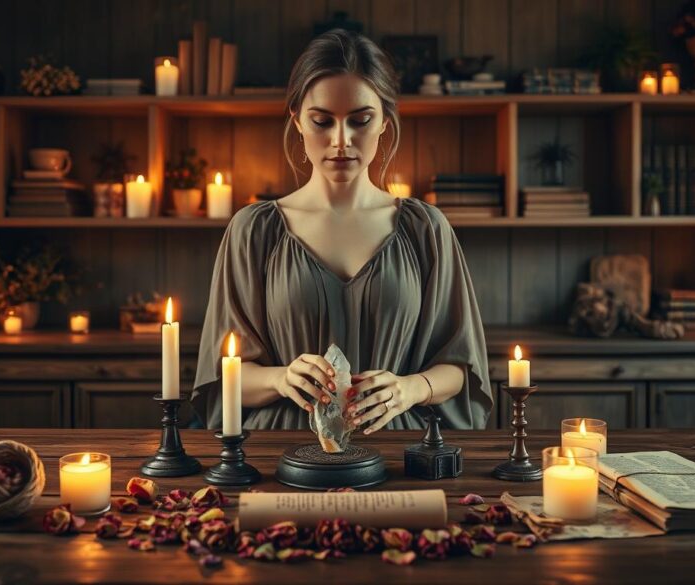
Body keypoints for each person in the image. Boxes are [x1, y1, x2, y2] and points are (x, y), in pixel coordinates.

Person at [192, 29, 492, 434]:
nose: (341, 141)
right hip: (281, 450)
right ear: (297, 120)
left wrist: (411, 388)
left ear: (385, 121)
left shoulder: (426, 228)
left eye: (360, 120)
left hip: (397, 451)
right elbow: (223, 376)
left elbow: (459, 367)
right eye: (322, 121)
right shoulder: (253, 230)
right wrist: (279, 378)